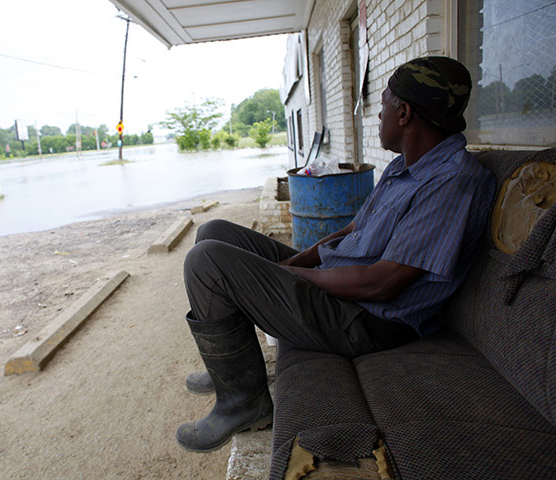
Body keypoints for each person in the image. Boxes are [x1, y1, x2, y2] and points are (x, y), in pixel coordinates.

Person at [175, 56, 497, 453]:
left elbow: (381, 284)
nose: (377, 116)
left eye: (381, 106)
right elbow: (351, 230)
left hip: (367, 322)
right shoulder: (402, 168)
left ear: (405, 112)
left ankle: (244, 404)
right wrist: (290, 265)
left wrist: (288, 278)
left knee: (206, 261)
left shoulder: (453, 181)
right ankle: (232, 371)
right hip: (340, 288)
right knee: (215, 231)